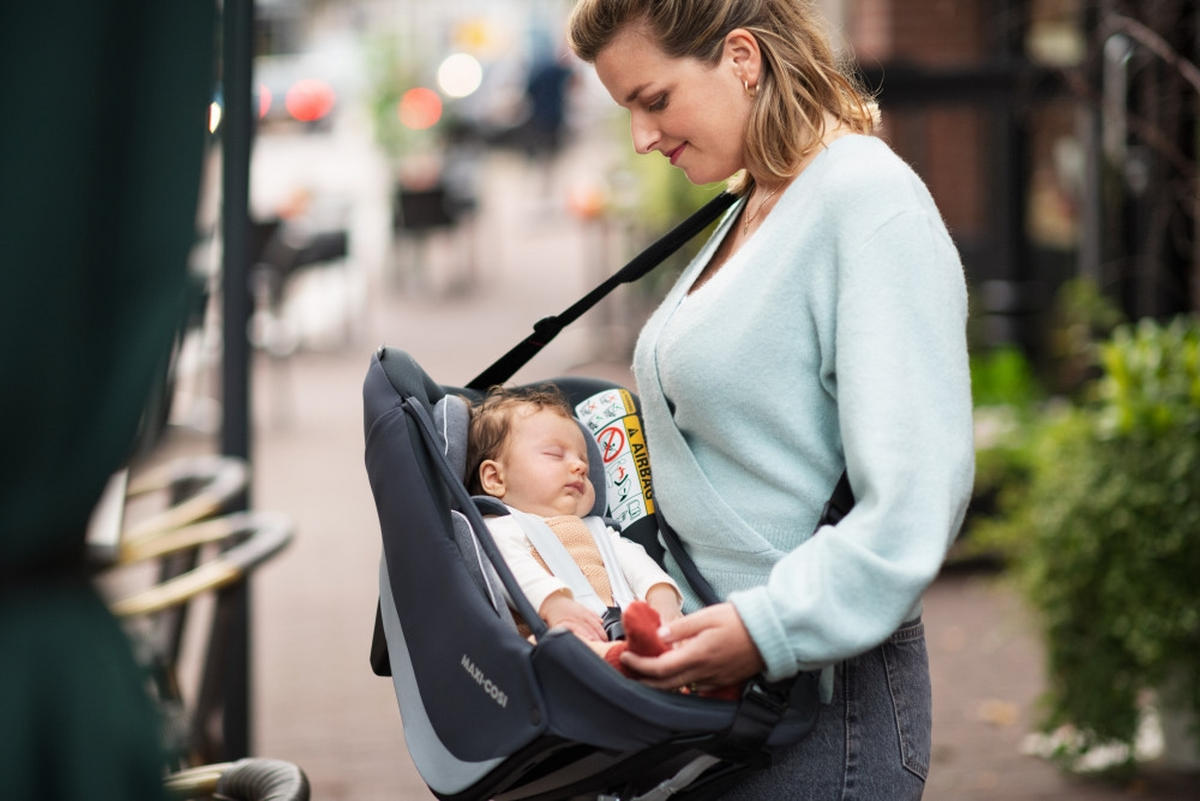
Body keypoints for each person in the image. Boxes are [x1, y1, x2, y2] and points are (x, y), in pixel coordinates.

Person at [565, 1, 975, 798]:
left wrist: (765, 628)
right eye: (628, 111)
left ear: (742, 59)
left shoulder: (864, 199)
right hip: (729, 706)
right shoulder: (758, 197)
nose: (643, 137)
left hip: (821, 712)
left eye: (654, 100)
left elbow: (917, 495)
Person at [465, 387, 683, 650]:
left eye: (585, 464)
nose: (579, 467)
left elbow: (639, 566)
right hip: (559, 637)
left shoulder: (600, 533)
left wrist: (662, 598)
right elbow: (509, 569)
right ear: (496, 479)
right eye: (555, 455)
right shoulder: (499, 529)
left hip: (628, 631)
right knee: (559, 648)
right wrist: (555, 605)